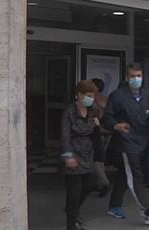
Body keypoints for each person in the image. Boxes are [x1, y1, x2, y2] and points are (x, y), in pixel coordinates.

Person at [103, 63, 149, 225]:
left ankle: (114, 206)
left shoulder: (147, 96)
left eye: (138, 76)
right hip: (126, 142)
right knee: (135, 175)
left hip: (143, 142)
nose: (135, 79)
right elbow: (107, 118)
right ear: (126, 77)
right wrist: (116, 125)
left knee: (125, 173)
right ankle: (148, 211)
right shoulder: (117, 96)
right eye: (132, 76)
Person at [61, 80, 100, 230]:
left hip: (87, 153)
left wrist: (98, 126)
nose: (91, 98)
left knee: (90, 184)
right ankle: (71, 224)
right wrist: (68, 155)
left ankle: (72, 210)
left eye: (93, 96)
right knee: (74, 191)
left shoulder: (93, 109)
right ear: (79, 94)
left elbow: (96, 131)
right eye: (88, 95)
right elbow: (65, 135)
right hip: (73, 152)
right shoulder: (69, 112)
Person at [90, 78, 110, 197]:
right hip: (106, 132)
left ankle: (104, 183)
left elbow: (95, 117)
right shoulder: (105, 98)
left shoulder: (96, 100)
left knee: (96, 160)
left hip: (99, 132)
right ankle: (99, 183)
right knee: (100, 159)